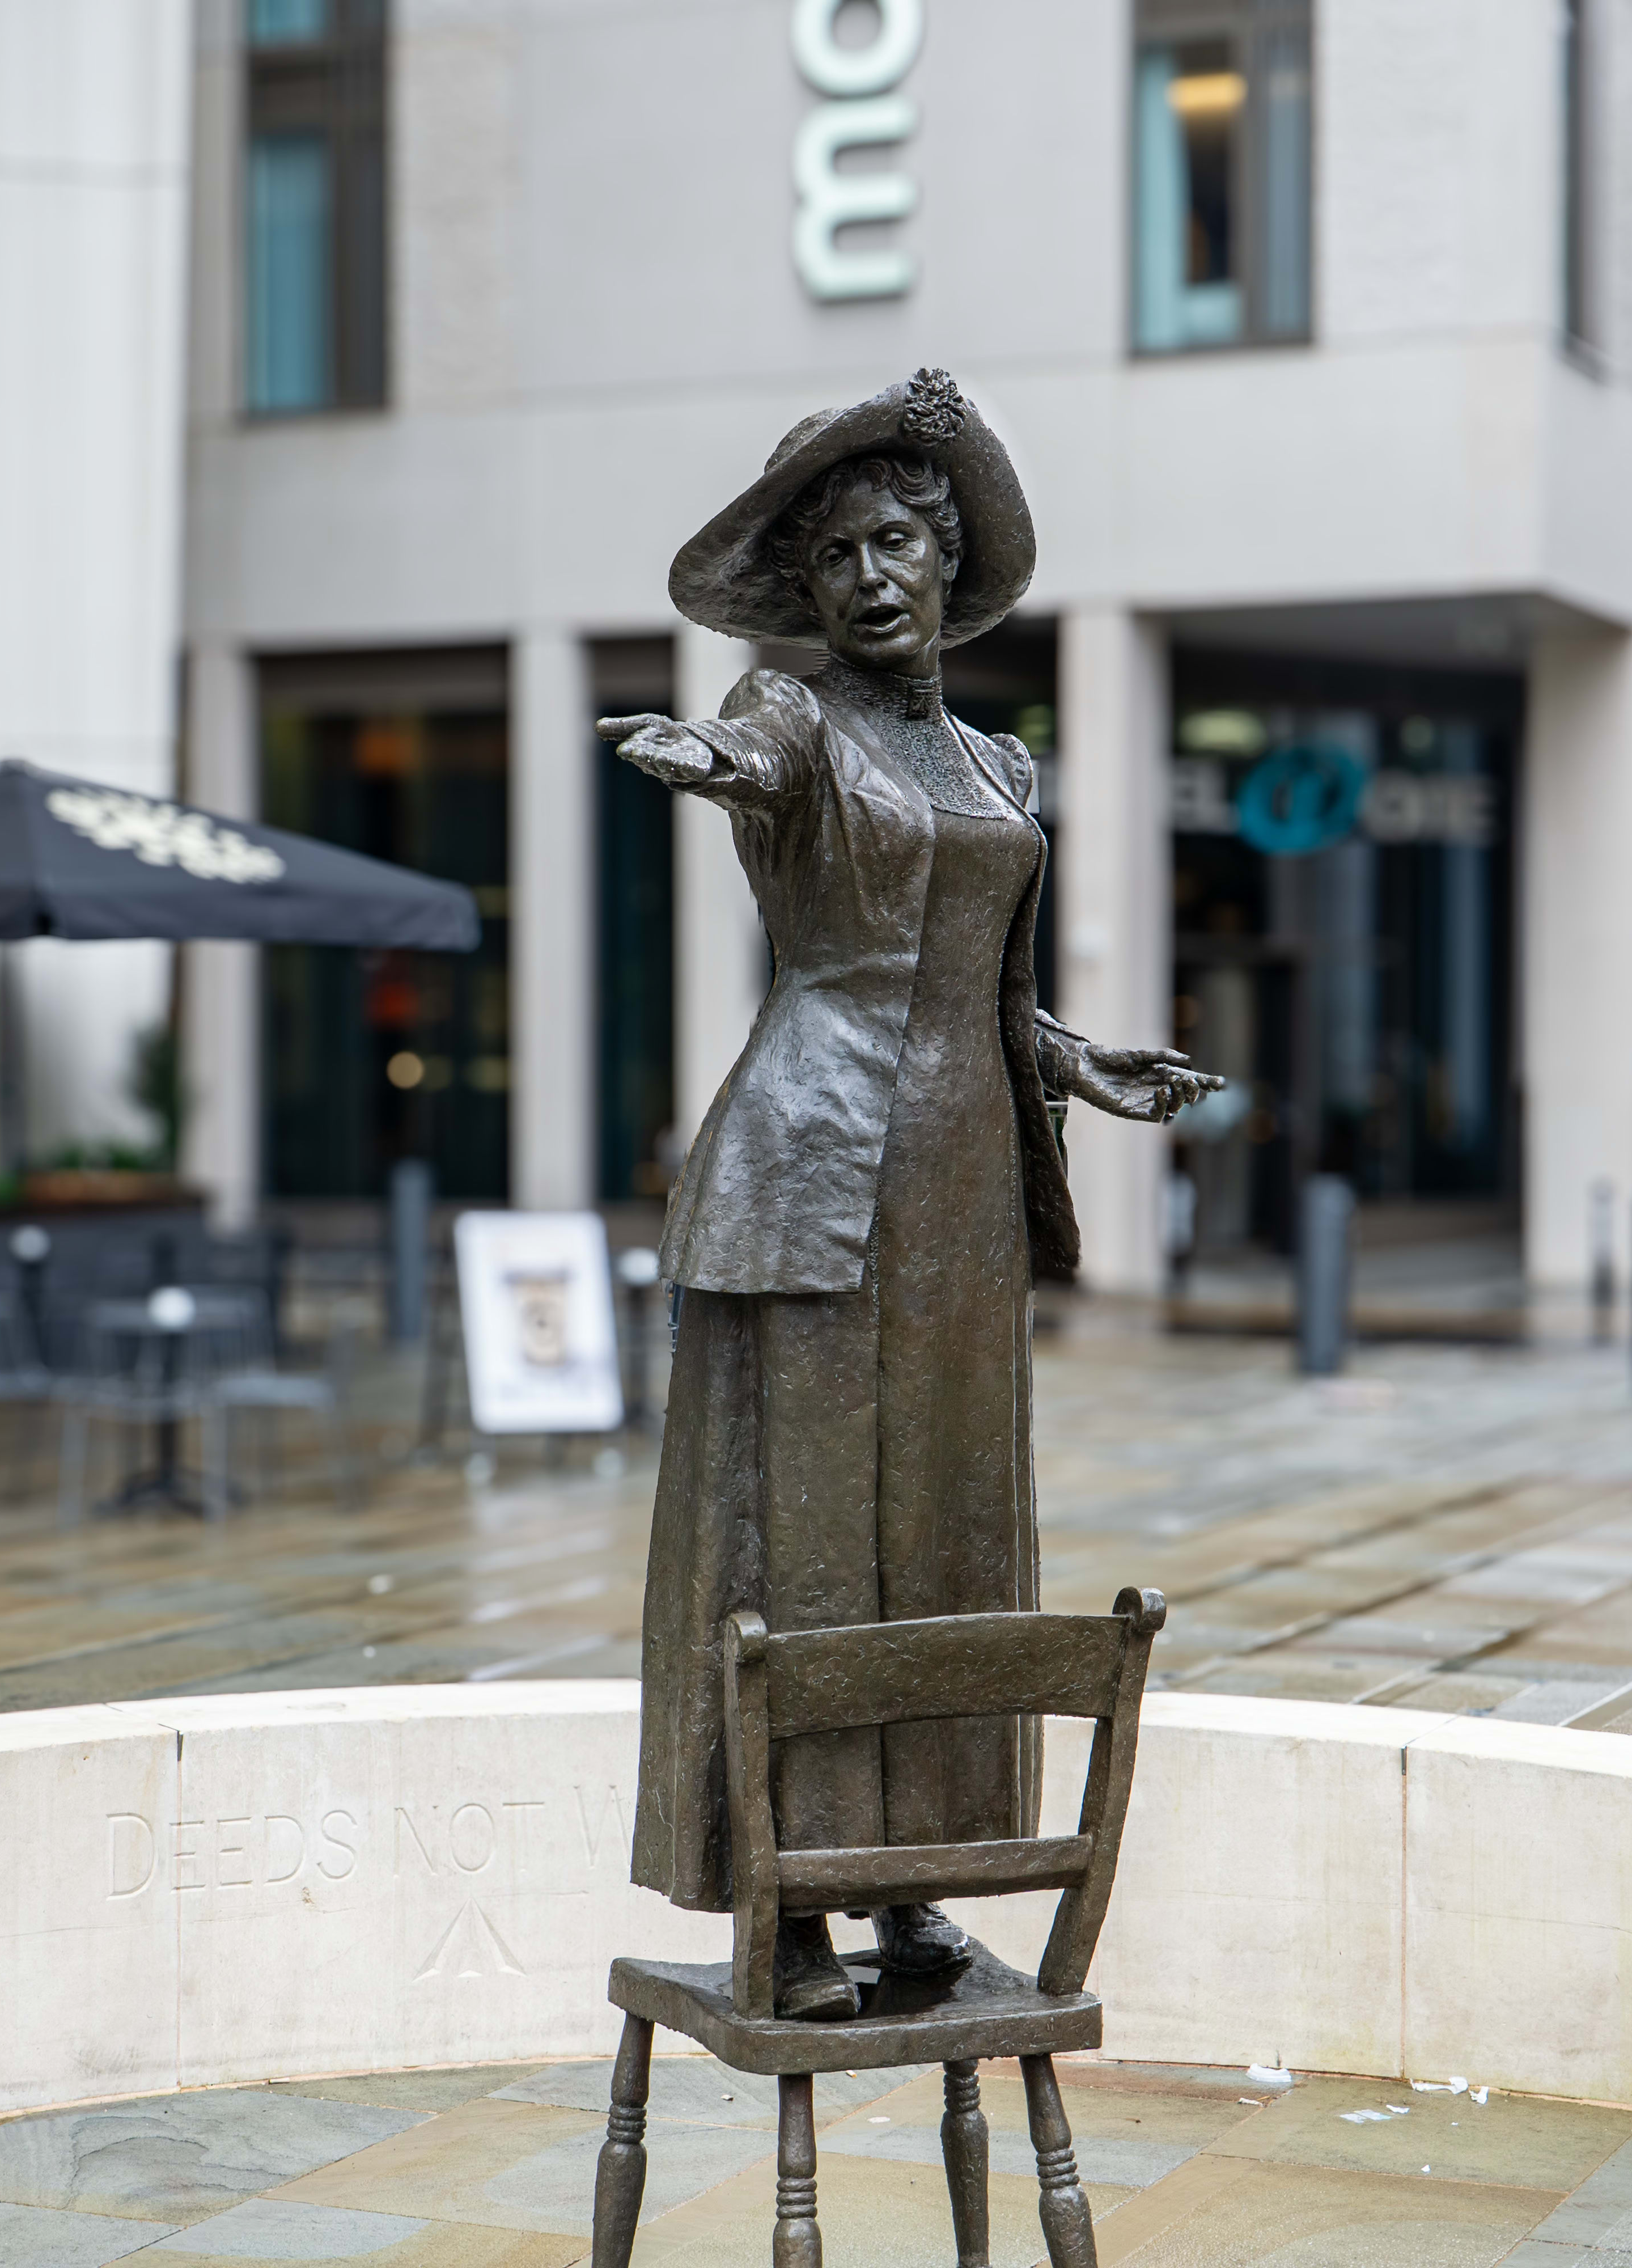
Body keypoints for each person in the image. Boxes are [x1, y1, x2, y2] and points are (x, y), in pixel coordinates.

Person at [597, 370, 1219, 2021]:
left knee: (951, 1540)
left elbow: (977, 988)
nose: (869, 579)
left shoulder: (998, 766)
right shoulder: (791, 716)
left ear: (944, 562)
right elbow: (751, 760)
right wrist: (705, 755)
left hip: (962, 1192)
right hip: (808, 1169)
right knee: (799, 1548)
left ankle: (916, 1885)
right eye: (836, 558)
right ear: (804, 595)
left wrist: (1078, 1062)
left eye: (895, 544)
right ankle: (788, 1904)